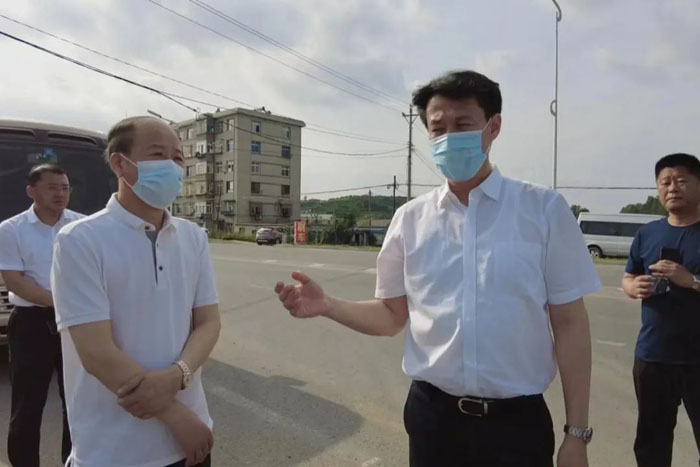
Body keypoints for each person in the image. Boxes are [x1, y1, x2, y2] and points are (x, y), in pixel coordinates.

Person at [275, 70, 601, 467]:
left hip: (517, 425)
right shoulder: (410, 220)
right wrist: (328, 305)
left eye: (462, 124)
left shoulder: (543, 211)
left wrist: (577, 435)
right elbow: (392, 316)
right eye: (438, 128)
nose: (449, 137)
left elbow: (570, 324)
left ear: (493, 126)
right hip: (434, 420)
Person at [50, 116, 221, 466]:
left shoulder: (193, 237)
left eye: (178, 158)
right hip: (113, 450)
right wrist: (175, 414)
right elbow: (96, 352)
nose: (172, 166)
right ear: (120, 164)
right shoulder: (80, 240)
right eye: (158, 154)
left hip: (191, 442)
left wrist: (178, 375)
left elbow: (208, 323)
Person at [622, 153, 700, 467]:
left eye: (681, 181)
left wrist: (691, 280)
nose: (672, 188)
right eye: (665, 182)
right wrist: (634, 287)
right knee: (651, 443)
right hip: (653, 357)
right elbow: (628, 277)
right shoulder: (647, 234)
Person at [0, 163, 78, 466]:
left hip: (75, 324)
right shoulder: (11, 229)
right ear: (31, 191)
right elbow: (15, 280)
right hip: (31, 323)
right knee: (28, 404)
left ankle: (74, 461)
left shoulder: (82, 226)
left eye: (65, 188)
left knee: (76, 401)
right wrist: (63, 303)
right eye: (52, 187)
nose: (60, 194)